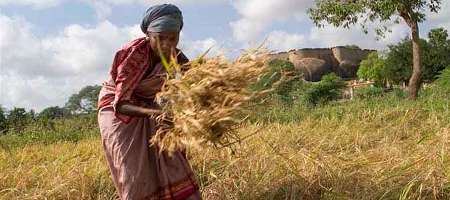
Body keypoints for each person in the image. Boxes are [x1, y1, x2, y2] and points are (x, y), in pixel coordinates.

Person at [97, 4, 201, 200]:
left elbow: (196, 79)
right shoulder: (133, 55)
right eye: (160, 38)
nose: (166, 44)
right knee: (134, 169)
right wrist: (156, 114)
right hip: (117, 110)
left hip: (147, 105)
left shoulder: (175, 55)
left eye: (173, 38)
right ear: (149, 35)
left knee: (172, 156)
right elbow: (120, 104)